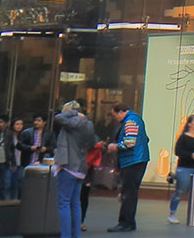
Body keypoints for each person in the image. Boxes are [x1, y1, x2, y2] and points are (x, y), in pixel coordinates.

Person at [51, 102, 96, 238]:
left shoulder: (71, 122)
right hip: (81, 166)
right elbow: (92, 143)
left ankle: (65, 235)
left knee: (63, 203)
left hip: (68, 165)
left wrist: (73, 112)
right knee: (75, 203)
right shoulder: (89, 124)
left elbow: (57, 118)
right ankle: (75, 234)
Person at [106, 103, 149, 232]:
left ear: (120, 112)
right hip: (137, 159)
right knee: (130, 192)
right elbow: (145, 139)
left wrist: (115, 146)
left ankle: (125, 222)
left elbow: (130, 142)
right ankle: (129, 222)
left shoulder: (130, 121)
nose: (115, 119)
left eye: (115, 115)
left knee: (128, 193)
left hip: (132, 161)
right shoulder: (135, 119)